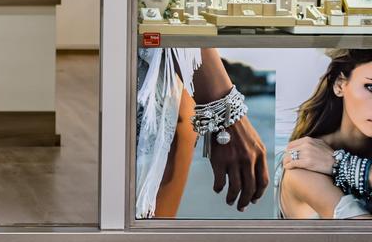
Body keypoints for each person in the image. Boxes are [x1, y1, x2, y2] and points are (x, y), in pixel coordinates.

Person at [135, 47, 268, 218]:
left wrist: (224, 112)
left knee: (148, 235)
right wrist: (227, 116)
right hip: (152, 106)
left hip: (169, 106)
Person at [280, 49, 372, 219]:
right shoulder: (304, 163)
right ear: (339, 84)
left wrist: (343, 164)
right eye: (370, 87)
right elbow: (364, 238)